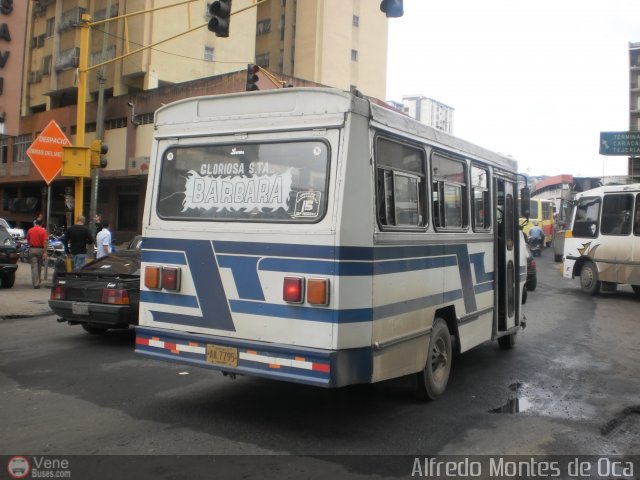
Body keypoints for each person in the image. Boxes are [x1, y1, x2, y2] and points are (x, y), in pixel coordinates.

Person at [26, 219, 47, 288]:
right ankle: (38, 281)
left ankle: (36, 283)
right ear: (42, 224)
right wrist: (45, 252)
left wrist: (30, 245)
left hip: (32, 249)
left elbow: (28, 240)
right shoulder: (43, 231)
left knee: (34, 266)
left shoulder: (30, 230)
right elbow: (45, 242)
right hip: (40, 249)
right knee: (39, 266)